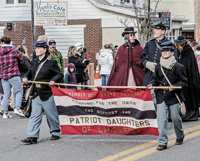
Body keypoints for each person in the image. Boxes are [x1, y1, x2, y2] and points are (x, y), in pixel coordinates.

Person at [21, 41, 63, 144]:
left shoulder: (51, 62)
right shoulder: (33, 62)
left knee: (51, 115)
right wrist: (25, 77)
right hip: (36, 93)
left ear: (45, 50)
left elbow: (59, 74)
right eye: (36, 48)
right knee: (34, 116)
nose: (37, 50)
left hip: (47, 92)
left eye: (39, 48)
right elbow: (29, 73)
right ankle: (32, 136)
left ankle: (55, 132)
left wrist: (53, 80)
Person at [148, 41, 187, 151]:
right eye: (163, 51)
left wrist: (175, 87)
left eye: (167, 51)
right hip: (161, 96)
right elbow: (155, 79)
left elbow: (184, 82)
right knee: (161, 120)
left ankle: (180, 135)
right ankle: (162, 141)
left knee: (175, 118)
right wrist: (151, 84)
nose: (164, 52)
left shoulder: (179, 67)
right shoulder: (158, 66)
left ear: (171, 52)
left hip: (174, 96)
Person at [141, 21, 178, 110]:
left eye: (157, 29)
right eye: (154, 29)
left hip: (162, 76)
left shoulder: (170, 44)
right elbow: (142, 56)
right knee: (146, 99)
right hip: (150, 75)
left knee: (160, 100)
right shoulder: (150, 43)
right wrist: (146, 63)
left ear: (163, 31)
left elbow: (175, 60)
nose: (155, 31)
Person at [174, 35, 200, 121]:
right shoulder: (181, 52)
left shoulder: (188, 52)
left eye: (180, 44)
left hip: (189, 77)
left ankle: (190, 114)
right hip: (183, 77)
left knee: (189, 95)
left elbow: (189, 66)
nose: (179, 46)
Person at [0, 36, 25, 118]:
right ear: (10, 42)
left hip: (4, 76)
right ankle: (17, 108)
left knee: (6, 94)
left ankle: (5, 113)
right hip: (14, 75)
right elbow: (22, 61)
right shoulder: (15, 51)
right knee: (19, 91)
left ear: (2, 42)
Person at [11, 44, 30, 110]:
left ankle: (15, 107)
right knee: (21, 93)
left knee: (14, 92)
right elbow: (28, 68)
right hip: (23, 77)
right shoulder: (24, 58)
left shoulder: (15, 58)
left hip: (15, 76)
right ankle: (19, 107)